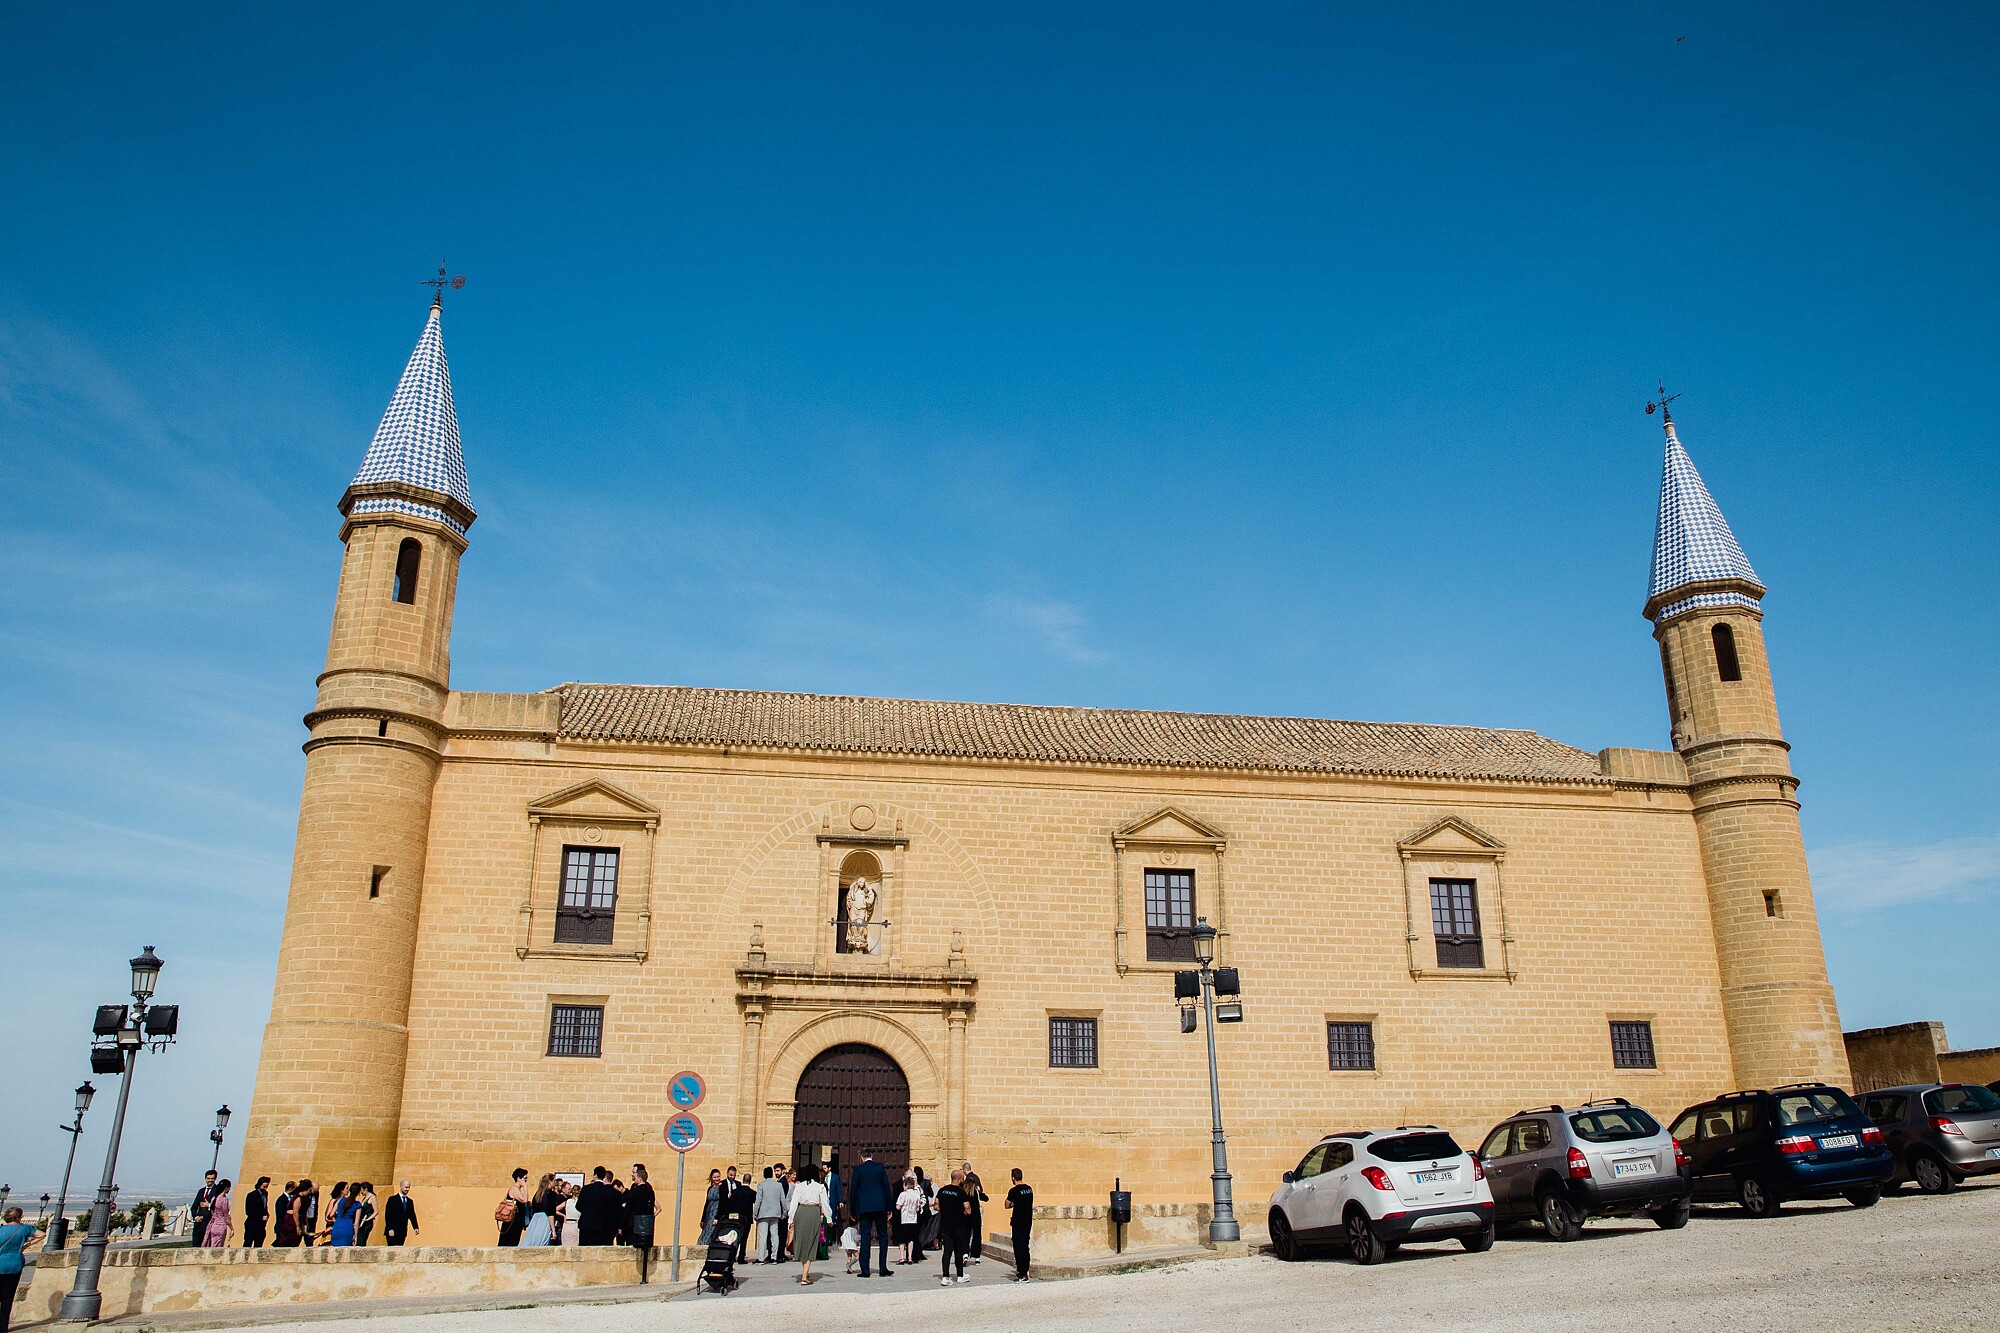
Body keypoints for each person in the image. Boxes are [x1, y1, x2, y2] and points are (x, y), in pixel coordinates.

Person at [849, 1151, 892, 1277]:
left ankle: (865, 1270)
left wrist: (853, 1210)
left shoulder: (858, 1170)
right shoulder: (880, 1168)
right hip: (880, 1207)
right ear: (872, 1156)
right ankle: (883, 1268)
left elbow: (853, 1191)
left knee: (866, 1237)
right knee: (883, 1237)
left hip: (864, 1208)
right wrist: (889, 1208)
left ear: (861, 1157)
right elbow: (886, 1188)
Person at [787, 1164, 829, 1286]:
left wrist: (790, 1219)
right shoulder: (820, 1187)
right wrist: (829, 1218)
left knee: (802, 1240)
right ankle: (804, 1276)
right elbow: (825, 1204)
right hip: (813, 1212)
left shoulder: (799, 1186)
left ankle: (805, 1270)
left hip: (801, 1212)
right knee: (811, 1242)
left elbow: (794, 1203)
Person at [935, 1169, 975, 1286]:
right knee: (958, 1251)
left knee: (947, 1251)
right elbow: (968, 1210)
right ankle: (960, 1275)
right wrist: (959, 1212)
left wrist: (947, 1210)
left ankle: (945, 1276)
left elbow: (936, 1206)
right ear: (958, 1180)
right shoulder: (961, 1193)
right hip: (958, 1226)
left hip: (945, 1225)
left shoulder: (942, 1191)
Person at [0, 1207, 36, 1333]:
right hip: (14, 1265)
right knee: (7, 1298)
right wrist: (27, 1245)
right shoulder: (24, 1229)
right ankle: (3, 1326)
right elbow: (42, 1234)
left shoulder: (1, 1229)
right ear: (18, 1217)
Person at [578, 1167, 622, 1246]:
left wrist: (588, 1212)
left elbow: (578, 1206)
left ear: (595, 1175)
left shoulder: (586, 1189)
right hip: (602, 1227)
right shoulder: (610, 1192)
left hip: (586, 1226)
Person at [1005, 1169, 1033, 1281]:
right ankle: (1025, 1270)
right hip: (1027, 1221)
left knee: (1018, 1247)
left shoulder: (1013, 1191)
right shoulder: (1029, 1189)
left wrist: (1013, 1203)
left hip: (1018, 1222)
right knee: (1025, 1246)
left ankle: (1022, 1273)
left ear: (1013, 1178)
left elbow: (1006, 1205)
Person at [754, 1166, 786, 1263]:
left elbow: (758, 1200)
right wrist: (784, 1212)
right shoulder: (778, 1185)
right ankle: (774, 1257)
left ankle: (761, 1258)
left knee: (763, 1236)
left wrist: (755, 1213)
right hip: (775, 1213)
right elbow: (783, 1200)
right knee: (774, 1235)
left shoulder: (761, 1185)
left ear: (764, 1175)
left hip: (763, 1214)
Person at [727, 1168, 757, 1264]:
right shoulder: (752, 1193)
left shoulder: (735, 1192)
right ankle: (741, 1257)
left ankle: (732, 1256)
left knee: (734, 1237)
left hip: (736, 1218)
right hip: (747, 1218)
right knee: (744, 1239)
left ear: (743, 1180)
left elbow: (731, 1204)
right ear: (750, 1181)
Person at [625, 1164, 657, 1253]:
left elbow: (629, 1206)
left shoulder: (642, 1188)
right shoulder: (646, 1189)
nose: (632, 1175)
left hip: (637, 1224)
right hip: (644, 1224)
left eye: (634, 1172)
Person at [893, 1173, 924, 1266]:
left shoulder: (903, 1194)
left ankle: (902, 1257)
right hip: (913, 1220)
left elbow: (898, 1207)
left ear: (906, 1185)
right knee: (911, 1239)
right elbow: (918, 1208)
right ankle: (910, 1257)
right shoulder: (916, 1195)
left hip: (904, 1219)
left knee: (902, 1240)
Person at [497, 1168, 531, 1246]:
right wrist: (525, 1187)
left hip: (516, 1221)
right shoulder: (514, 1189)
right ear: (518, 1178)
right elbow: (524, 1200)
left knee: (514, 1241)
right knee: (509, 1241)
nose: (526, 1181)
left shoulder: (517, 1190)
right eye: (524, 1179)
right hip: (512, 1221)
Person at [962, 1163, 987, 1263]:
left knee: (966, 1235)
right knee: (977, 1235)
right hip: (976, 1215)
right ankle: (977, 1256)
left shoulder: (964, 1192)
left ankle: (965, 1254)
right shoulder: (976, 1191)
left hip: (967, 1215)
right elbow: (985, 1197)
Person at [521, 1175, 555, 1247]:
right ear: (550, 1181)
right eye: (554, 1181)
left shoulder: (537, 1194)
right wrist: (553, 1230)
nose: (555, 1183)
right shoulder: (550, 1194)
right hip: (545, 1219)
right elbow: (550, 1212)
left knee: (532, 1240)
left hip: (535, 1219)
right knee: (542, 1241)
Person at [384, 1181, 419, 1247]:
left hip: (402, 1231)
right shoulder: (392, 1199)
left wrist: (415, 1227)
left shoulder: (409, 1201)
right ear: (401, 1187)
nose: (407, 1189)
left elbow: (412, 1215)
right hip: (392, 1230)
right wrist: (390, 1228)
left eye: (408, 1187)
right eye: (406, 1187)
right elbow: (387, 1215)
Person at [200, 1180, 234, 1247]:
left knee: (212, 1245)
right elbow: (226, 1216)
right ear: (226, 1188)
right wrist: (232, 1228)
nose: (230, 1189)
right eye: (229, 1187)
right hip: (221, 1226)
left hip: (213, 1226)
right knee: (218, 1247)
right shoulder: (224, 1200)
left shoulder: (214, 1199)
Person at [190, 1170, 220, 1245]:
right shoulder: (201, 1191)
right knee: (196, 1244)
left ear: (215, 1179)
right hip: (199, 1224)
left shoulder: (218, 1190)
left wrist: (209, 1205)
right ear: (205, 1178)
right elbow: (194, 1207)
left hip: (210, 1222)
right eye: (208, 1178)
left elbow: (220, 1206)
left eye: (212, 1178)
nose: (210, 1180)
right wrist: (196, 1217)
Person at [243, 1177, 271, 1248]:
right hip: (252, 1223)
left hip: (261, 1225)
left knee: (259, 1244)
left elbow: (264, 1206)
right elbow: (248, 1211)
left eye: (266, 1187)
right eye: (264, 1187)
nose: (265, 1189)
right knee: (248, 1243)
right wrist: (261, 1216)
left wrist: (266, 1214)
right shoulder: (252, 1195)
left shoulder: (265, 1194)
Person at [698, 1168, 723, 1245]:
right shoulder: (710, 1188)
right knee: (706, 1231)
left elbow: (722, 1202)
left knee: (712, 1231)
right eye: (715, 1177)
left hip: (716, 1212)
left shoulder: (722, 1187)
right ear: (711, 1178)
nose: (717, 1179)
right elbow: (706, 1203)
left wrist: (717, 1217)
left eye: (718, 1177)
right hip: (709, 1214)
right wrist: (702, 1219)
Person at [272, 1182, 300, 1248]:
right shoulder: (282, 1199)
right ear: (290, 1189)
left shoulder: (291, 1199)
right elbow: (280, 1214)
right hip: (282, 1226)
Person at [294, 1180, 320, 1249]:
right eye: (313, 1191)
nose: (314, 1192)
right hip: (303, 1218)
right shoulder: (301, 1196)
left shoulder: (316, 1194)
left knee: (309, 1239)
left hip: (311, 1218)